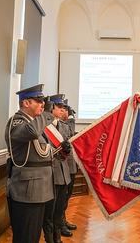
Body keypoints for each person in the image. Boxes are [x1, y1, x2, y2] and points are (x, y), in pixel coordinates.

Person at [5, 84, 55, 243]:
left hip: (40, 189)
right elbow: (32, 132)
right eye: (39, 101)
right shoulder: (16, 122)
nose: (42, 105)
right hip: (27, 192)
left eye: (43, 102)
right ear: (26, 103)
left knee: (33, 235)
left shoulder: (35, 123)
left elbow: (42, 153)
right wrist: (47, 113)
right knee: (26, 237)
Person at [42, 94, 72, 243]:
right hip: (49, 174)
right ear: (51, 107)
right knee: (49, 212)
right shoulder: (42, 125)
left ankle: (57, 237)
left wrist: (67, 149)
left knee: (59, 210)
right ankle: (50, 239)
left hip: (63, 173)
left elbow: (68, 150)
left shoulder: (64, 127)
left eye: (63, 108)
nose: (62, 110)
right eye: (59, 107)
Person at [60, 101, 78, 236]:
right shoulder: (60, 125)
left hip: (70, 166)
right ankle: (60, 223)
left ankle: (63, 220)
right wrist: (71, 118)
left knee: (67, 196)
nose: (65, 112)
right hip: (64, 167)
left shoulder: (64, 124)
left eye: (66, 109)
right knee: (62, 197)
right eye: (62, 109)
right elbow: (71, 132)